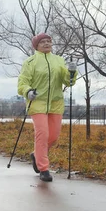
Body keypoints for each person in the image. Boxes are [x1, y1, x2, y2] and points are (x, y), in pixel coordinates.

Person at [17, 33, 77, 182]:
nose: (46, 44)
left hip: (55, 103)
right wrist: (28, 91)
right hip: (37, 102)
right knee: (42, 135)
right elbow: (22, 83)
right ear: (36, 45)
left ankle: (36, 155)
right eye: (42, 42)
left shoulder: (58, 60)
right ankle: (43, 168)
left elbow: (68, 82)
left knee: (54, 136)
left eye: (49, 41)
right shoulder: (30, 62)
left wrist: (71, 72)